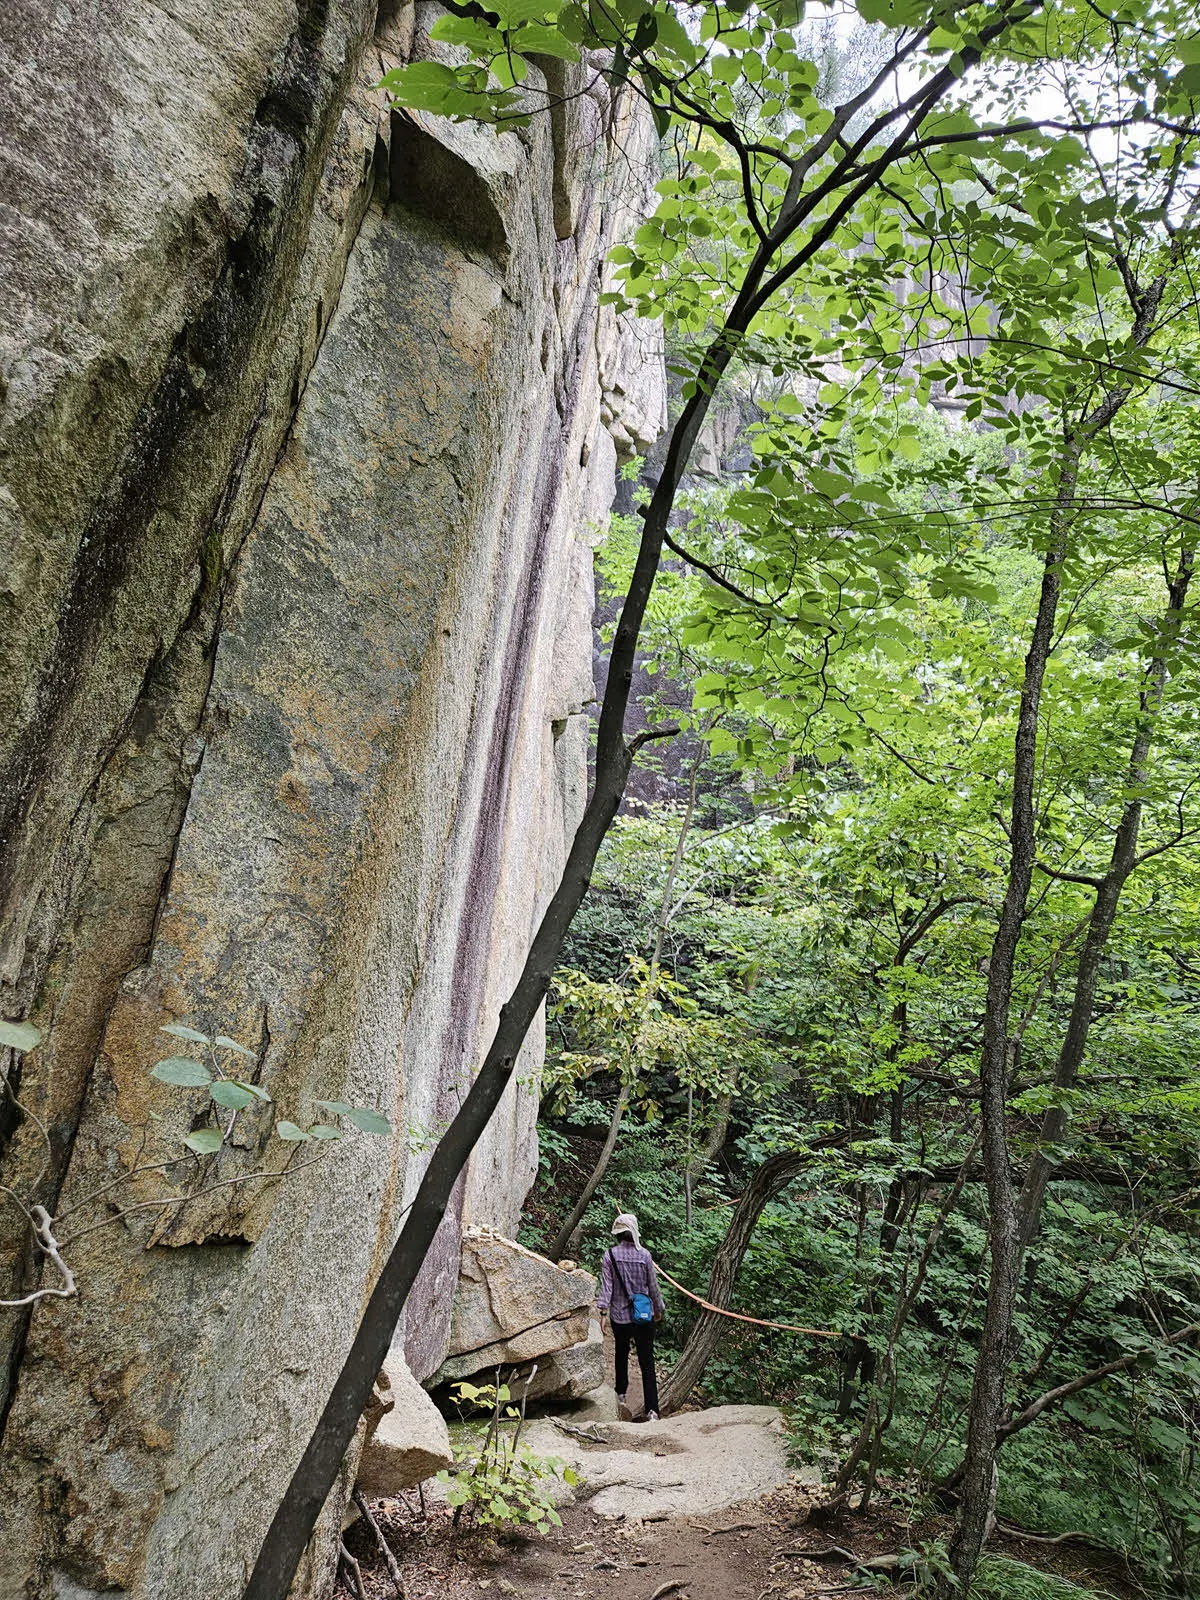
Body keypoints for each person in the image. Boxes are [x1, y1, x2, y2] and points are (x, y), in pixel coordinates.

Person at [597, 1211, 665, 1421]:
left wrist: (603, 1312)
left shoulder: (610, 1255)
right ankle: (652, 1410)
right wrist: (658, 1309)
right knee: (647, 1361)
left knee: (621, 1354)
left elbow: (607, 1287)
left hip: (619, 1316)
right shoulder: (645, 1255)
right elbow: (653, 1287)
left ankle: (621, 1397)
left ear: (617, 1233)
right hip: (643, 1315)